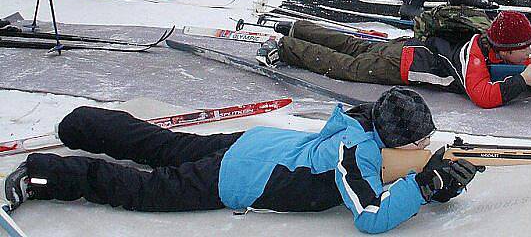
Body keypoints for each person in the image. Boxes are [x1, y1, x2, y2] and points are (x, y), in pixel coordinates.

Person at [4, 87, 483, 234]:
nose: (421, 149)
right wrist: (422, 188)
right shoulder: (356, 154)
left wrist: (439, 181)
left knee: (159, 144)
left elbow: (391, 170)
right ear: (393, 138)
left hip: (255, 144)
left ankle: (81, 123)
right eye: (417, 143)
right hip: (236, 175)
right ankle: (45, 172)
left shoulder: (361, 125)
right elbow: (370, 218)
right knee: (143, 188)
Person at [262, 11, 531, 110]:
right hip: (401, 65)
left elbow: (521, 70)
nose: (529, 55)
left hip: (409, 48)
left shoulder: (493, 47)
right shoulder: (475, 59)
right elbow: (482, 95)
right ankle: (287, 46)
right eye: (525, 49)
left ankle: (298, 28)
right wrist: (522, 81)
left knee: (354, 45)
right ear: (506, 49)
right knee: (346, 66)